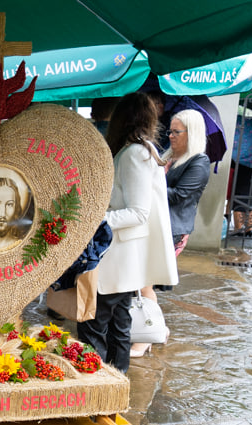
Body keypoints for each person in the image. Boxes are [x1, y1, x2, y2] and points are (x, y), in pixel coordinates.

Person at [76, 93, 178, 372]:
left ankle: (98, 388)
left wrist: (94, 219)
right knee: (118, 326)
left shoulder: (135, 153)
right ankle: (114, 386)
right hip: (123, 258)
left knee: (94, 325)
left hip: (119, 257)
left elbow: (138, 213)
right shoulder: (140, 149)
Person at [163, 109, 211, 256]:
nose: (171, 136)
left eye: (176, 132)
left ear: (192, 133)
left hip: (172, 228)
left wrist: (148, 186)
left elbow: (179, 195)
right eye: (170, 131)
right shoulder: (166, 156)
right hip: (156, 221)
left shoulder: (199, 162)